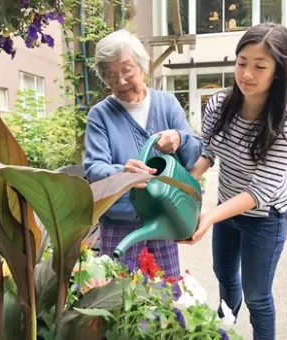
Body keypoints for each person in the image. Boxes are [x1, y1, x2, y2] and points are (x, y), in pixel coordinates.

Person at [179, 23, 287, 340]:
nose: (247, 74)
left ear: (279, 71)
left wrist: (208, 218)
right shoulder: (219, 105)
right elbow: (209, 151)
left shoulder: (285, 125)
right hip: (227, 210)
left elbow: (259, 192)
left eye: (260, 66)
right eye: (242, 62)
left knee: (258, 296)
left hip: (265, 219)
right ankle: (225, 330)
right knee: (224, 274)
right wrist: (186, 184)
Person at [83, 29, 202, 279]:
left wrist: (179, 139)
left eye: (126, 70)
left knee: (166, 297)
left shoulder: (166, 104)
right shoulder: (100, 115)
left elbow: (195, 150)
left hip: (164, 219)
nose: (121, 81)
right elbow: (94, 168)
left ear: (142, 64)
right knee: (119, 305)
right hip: (119, 223)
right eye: (111, 75)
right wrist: (122, 173)